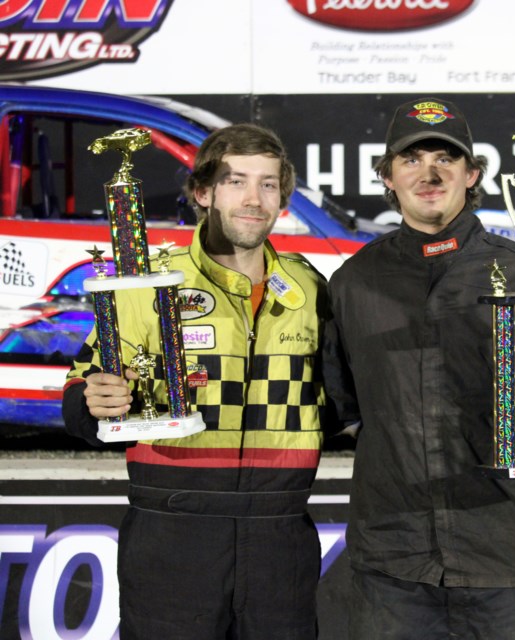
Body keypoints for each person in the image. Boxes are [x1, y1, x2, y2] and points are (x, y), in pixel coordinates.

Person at [322, 97, 515, 639]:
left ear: (473, 174)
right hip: (392, 564)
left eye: (445, 157)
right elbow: (341, 409)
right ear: (387, 178)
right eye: (411, 159)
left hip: (506, 558)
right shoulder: (352, 283)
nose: (430, 172)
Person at [62, 124, 329, 639]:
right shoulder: (149, 281)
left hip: (281, 536)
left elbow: (339, 398)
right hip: (172, 531)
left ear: (283, 200)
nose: (253, 199)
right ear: (203, 192)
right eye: (235, 181)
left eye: (268, 184)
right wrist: (93, 401)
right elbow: (82, 387)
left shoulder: (309, 286)